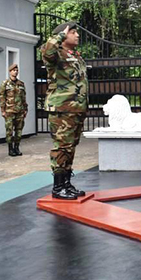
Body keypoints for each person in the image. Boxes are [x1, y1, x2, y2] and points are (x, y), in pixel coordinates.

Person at [41, 21, 88, 200]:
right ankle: (58, 187)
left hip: (76, 108)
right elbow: (47, 51)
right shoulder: (55, 53)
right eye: (73, 32)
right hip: (61, 109)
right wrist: (59, 35)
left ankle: (67, 184)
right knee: (62, 147)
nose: (77, 35)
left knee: (70, 147)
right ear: (63, 34)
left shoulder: (75, 55)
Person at [0, 63, 28, 157]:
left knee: (19, 131)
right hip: (9, 111)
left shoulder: (21, 84)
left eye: (17, 70)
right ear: (10, 72)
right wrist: (2, 110)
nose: (15, 72)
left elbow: (23, 98)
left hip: (20, 111)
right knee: (9, 131)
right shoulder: (5, 84)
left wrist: (25, 109)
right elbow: (2, 97)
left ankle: (17, 147)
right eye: (14, 70)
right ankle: (10, 149)